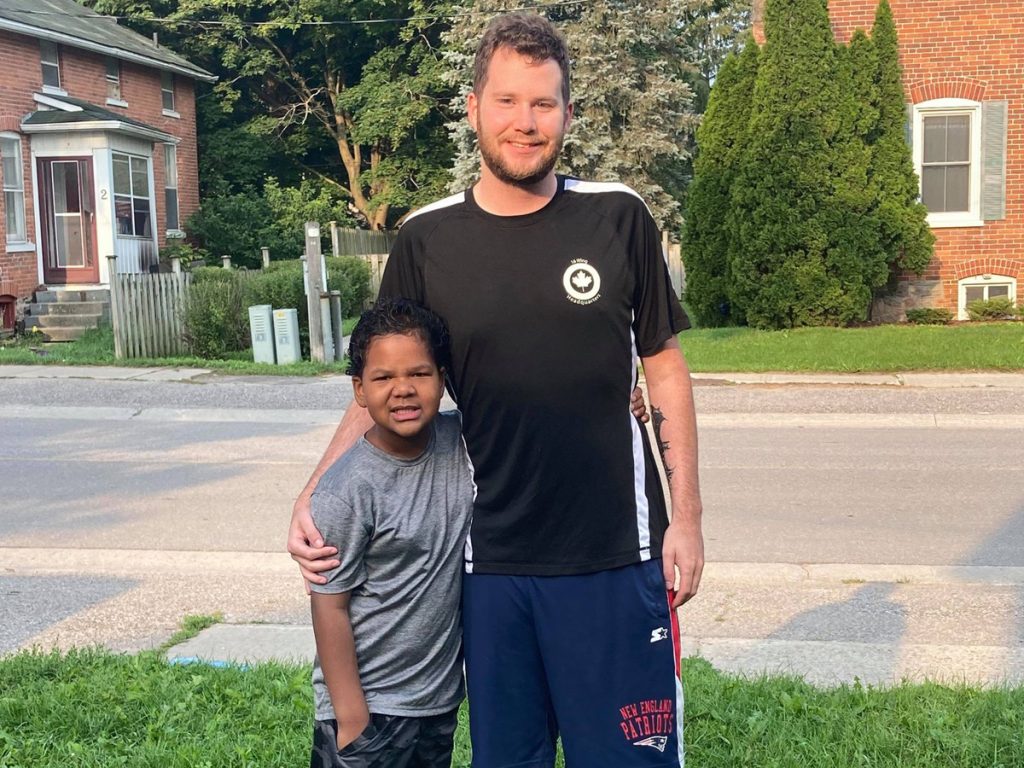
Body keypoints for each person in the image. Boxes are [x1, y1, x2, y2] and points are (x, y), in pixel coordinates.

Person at [290, 12, 704, 768]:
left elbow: (664, 365)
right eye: (507, 101)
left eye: (544, 104)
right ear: (475, 107)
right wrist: (314, 495)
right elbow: (384, 387)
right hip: (488, 567)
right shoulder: (426, 239)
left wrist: (689, 519)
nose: (525, 122)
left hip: (619, 553)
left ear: (567, 115)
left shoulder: (619, 216)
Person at [308, 298, 472, 768]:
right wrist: (352, 718)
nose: (402, 390)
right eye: (383, 378)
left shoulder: (463, 440)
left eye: (419, 374)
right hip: (369, 707)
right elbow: (330, 605)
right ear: (359, 390)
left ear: (443, 379)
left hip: (437, 702)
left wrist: (622, 400)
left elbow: (534, 422)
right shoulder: (346, 490)